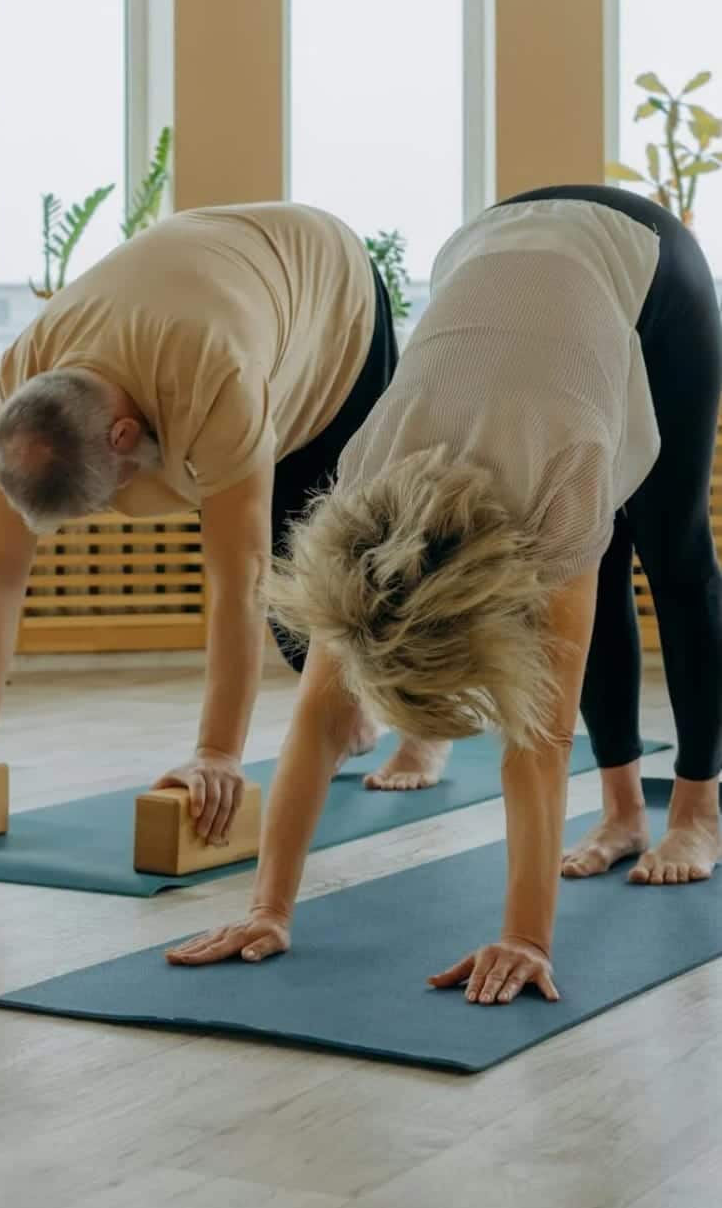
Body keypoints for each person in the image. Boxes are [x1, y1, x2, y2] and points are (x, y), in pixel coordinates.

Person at [167, 184, 722, 1005]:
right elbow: (318, 722)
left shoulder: (560, 473)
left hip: (641, 260)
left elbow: (537, 737)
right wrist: (267, 908)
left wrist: (526, 937)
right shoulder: (360, 496)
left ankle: (696, 811)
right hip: (493, 246)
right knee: (591, 562)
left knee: (669, 550)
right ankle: (620, 814)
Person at [0, 201, 425, 840]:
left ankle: (425, 734)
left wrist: (217, 753)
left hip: (330, 299)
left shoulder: (213, 375)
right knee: (301, 636)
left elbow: (241, 579)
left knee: (348, 569)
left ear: (121, 436)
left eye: (106, 498)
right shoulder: (18, 401)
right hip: (223, 290)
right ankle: (348, 711)